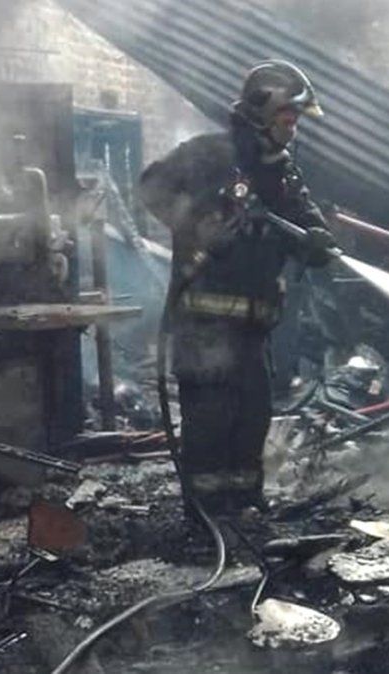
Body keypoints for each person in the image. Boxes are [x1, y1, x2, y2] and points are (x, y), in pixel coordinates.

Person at [139, 60, 337, 515]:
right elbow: (150, 188)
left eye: (296, 120)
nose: (292, 128)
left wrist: (317, 241)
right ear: (262, 112)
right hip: (203, 328)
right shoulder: (209, 154)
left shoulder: (281, 172)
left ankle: (245, 508)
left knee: (252, 419)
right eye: (287, 117)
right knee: (211, 422)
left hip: (252, 331)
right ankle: (207, 520)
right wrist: (197, 226)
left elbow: (307, 223)